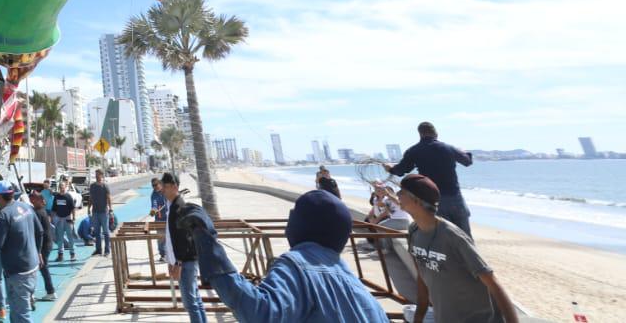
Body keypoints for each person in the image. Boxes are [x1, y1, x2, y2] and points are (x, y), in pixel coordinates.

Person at [183, 189, 388, 321]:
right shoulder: (362, 292)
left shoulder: (297, 265)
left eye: (294, 213)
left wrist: (207, 242)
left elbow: (260, 313)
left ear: (302, 223)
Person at [400, 174, 519, 323]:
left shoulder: (452, 236)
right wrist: (418, 317)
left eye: (401, 192)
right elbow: (422, 278)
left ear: (416, 200)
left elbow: (493, 283)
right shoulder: (414, 231)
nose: (397, 195)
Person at [386, 122, 476, 237]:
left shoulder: (414, 151)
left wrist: (390, 169)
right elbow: (467, 161)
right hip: (455, 197)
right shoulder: (447, 148)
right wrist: (462, 151)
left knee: (443, 236)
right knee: (465, 235)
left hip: (433, 200)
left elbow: (400, 171)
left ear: (420, 134)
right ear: (436, 133)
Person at [0, 180, 44, 323]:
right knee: (16, 314)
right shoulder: (26, 207)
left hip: (18, 273)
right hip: (32, 266)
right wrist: (39, 252)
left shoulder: (4, 215)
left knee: (22, 316)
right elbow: (40, 231)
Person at [159, 172, 208, 323]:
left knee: (190, 303)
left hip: (185, 262)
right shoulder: (172, 205)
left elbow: (184, 239)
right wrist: (170, 259)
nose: (162, 190)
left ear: (174, 187)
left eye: (164, 187)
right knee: (195, 299)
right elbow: (172, 236)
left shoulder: (178, 207)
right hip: (183, 260)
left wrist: (178, 262)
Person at [27, 190, 57, 301]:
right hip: (46, 244)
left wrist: (38, 251)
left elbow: (38, 232)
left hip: (43, 245)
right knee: (42, 268)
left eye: (32, 198)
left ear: (38, 200)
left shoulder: (38, 212)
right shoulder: (40, 210)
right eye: (30, 198)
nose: (31, 200)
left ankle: (48, 291)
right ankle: (49, 291)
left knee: (39, 268)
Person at [50, 180, 78, 260]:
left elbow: (73, 208)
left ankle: (72, 254)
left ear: (65, 187)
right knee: (60, 238)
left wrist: (74, 218)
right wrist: (52, 218)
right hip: (59, 219)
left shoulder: (68, 196)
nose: (62, 188)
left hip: (68, 219)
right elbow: (54, 209)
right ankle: (60, 255)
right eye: (60, 186)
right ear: (59, 187)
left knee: (70, 237)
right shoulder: (57, 197)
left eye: (63, 186)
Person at [88, 169, 112, 255]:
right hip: (95, 212)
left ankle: (107, 250)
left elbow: (108, 198)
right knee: (97, 232)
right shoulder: (92, 186)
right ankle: (98, 249)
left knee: (106, 231)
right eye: (96, 175)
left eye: (98, 175)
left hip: (103, 212)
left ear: (102, 175)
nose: (97, 176)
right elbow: (90, 198)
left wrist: (111, 209)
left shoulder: (105, 186)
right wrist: (88, 208)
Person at [149, 177, 167, 260]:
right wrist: (153, 210)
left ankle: (170, 254)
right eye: (153, 186)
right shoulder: (154, 195)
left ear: (160, 184)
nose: (155, 187)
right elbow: (154, 204)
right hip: (159, 219)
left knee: (170, 237)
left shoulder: (166, 190)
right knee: (160, 238)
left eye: (156, 185)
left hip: (168, 218)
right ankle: (163, 254)